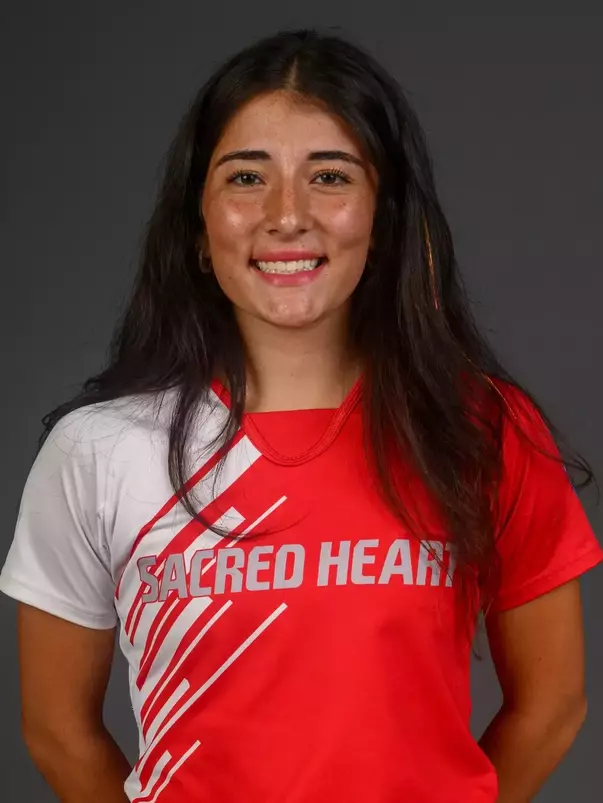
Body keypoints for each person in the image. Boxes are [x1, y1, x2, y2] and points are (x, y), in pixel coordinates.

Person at [1, 27, 601, 803]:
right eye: (246, 177)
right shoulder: (101, 449)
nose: (286, 216)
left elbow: (552, 705)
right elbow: (57, 730)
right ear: (196, 225)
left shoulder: (479, 427)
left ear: (382, 220)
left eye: (329, 176)